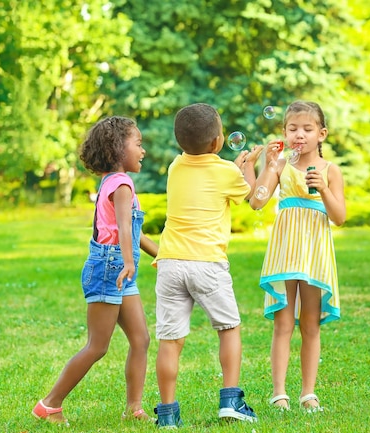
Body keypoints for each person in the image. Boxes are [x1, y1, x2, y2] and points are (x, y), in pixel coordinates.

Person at [32, 116, 159, 426]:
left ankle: (133, 408)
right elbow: (123, 231)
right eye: (138, 144)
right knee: (97, 345)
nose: (143, 151)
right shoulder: (123, 184)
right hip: (112, 267)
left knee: (140, 339)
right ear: (118, 148)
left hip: (118, 268)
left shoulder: (113, 182)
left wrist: (163, 254)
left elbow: (131, 227)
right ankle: (50, 404)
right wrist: (129, 263)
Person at [152, 103, 263, 428]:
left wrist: (234, 167)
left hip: (171, 263)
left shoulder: (175, 166)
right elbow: (254, 197)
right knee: (228, 328)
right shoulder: (226, 172)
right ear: (217, 141)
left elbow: (206, 173)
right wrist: (254, 166)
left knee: (170, 341)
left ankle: (168, 415)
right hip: (207, 264)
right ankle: (230, 400)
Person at [249, 100, 345, 412]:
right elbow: (256, 201)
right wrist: (267, 165)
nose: (299, 135)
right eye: (292, 129)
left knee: (311, 324)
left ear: (322, 133)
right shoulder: (281, 166)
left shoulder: (330, 171)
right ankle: (279, 393)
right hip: (285, 251)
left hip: (314, 254)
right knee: (283, 322)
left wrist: (324, 190)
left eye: (307, 128)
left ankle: (308, 393)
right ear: (284, 133)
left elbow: (340, 216)